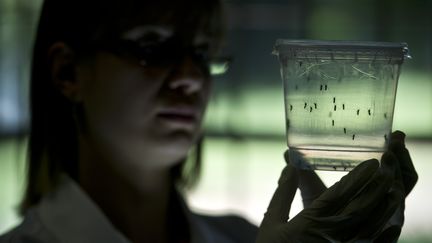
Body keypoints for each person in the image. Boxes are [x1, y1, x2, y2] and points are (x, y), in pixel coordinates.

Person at [0, 0, 417, 242]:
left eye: (202, 53)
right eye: (152, 47)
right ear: (67, 73)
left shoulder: (241, 237)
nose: (190, 78)